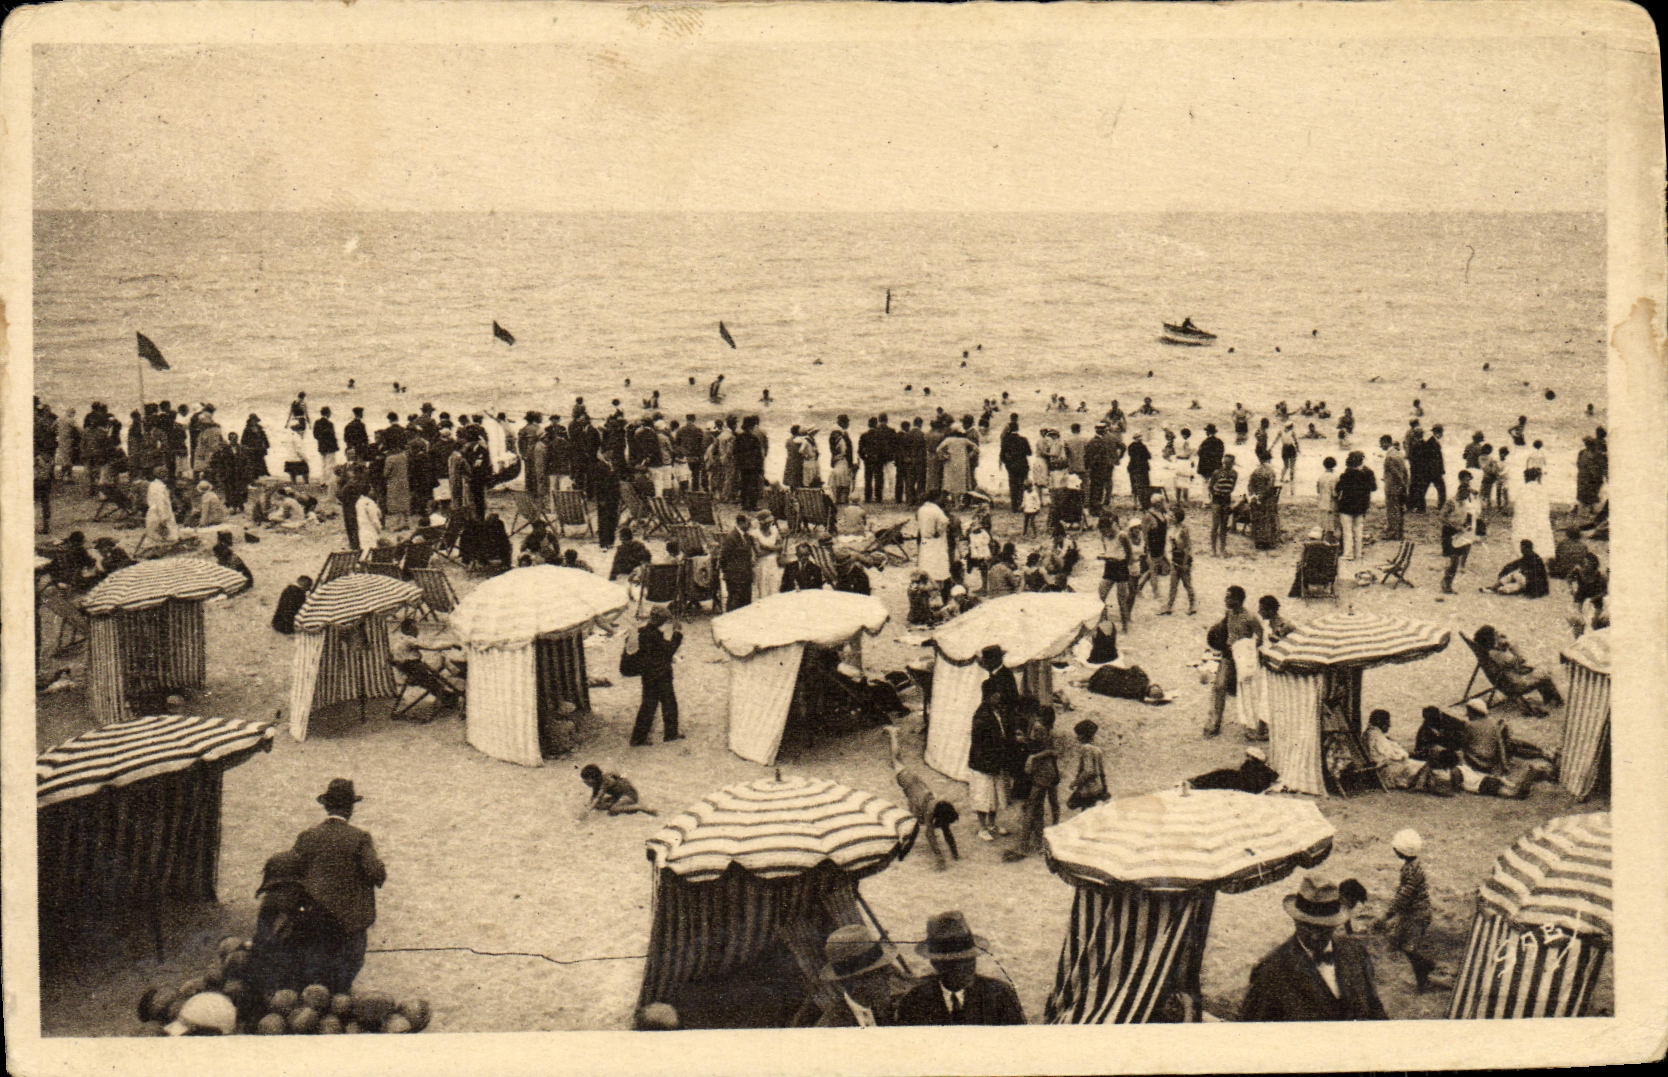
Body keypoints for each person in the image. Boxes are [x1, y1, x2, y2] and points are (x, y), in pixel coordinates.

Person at [1239, 874, 1388, 1021]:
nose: (1315, 936)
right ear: (1295, 920)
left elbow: (1375, 1010)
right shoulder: (1271, 972)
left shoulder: (1356, 953)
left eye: (1323, 928)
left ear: (1336, 923)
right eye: (1307, 926)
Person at [289, 779, 387, 995]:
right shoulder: (359, 838)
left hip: (313, 920)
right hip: (349, 924)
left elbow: (292, 872)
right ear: (350, 808)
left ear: (326, 806)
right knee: (344, 978)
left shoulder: (307, 836)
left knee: (315, 976)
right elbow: (377, 874)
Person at [895, 912, 1025, 1026]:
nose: (967, 967)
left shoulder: (999, 994)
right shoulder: (915, 1001)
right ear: (936, 964)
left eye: (970, 958)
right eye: (955, 962)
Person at [1374, 830, 1445, 993]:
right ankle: (1425, 971)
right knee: (1401, 942)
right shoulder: (1414, 866)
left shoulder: (1409, 870)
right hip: (1415, 913)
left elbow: (1404, 896)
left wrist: (1388, 914)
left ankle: (1425, 972)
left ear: (1400, 851)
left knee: (1409, 948)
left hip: (1416, 915)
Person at [885, 725, 959, 868]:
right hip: (909, 782)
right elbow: (930, 835)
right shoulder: (931, 811)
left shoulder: (937, 807)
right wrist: (941, 856)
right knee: (895, 759)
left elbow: (942, 830)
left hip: (916, 786)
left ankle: (893, 734)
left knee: (897, 760)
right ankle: (893, 733)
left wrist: (952, 853)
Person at [968, 645, 1019, 841]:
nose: (999, 699)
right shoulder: (983, 717)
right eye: (996, 697)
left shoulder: (1000, 712)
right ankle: (983, 827)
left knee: (995, 794)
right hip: (984, 761)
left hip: (995, 759)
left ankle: (992, 824)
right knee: (983, 794)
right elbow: (982, 742)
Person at [815, 925, 905, 1027]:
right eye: (879, 971)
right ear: (849, 982)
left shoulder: (901, 1007)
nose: (888, 974)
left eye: (884, 969)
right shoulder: (830, 1027)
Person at [1204, 585, 1263, 737]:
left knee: (1249, 692)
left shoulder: (1250, 617)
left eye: (1229, 597)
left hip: (1243, 657)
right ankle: (1215, 722)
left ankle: (1255, 725)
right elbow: (1222, 629)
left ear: (1237, 600)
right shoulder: (1228, 613)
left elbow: (1260, 636)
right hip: (1229, 655)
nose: (1225, 600)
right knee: (1219, 686)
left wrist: (1248, 649)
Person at [1002, 707, 1060, 862]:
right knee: (1038, 807)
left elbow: (1040, 749)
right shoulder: (1049, 730)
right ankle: (1038, 842)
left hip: (1041, 772)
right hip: (1047, 771)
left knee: (1030, 808)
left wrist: (1031, 755)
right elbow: (1050, 751)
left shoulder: (1038, 727)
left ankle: (1024, 846)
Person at [1471, 624, 1563, 713]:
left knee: (1538, 671)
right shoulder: (1498, 655)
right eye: (1496, 634)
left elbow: (1511, 664)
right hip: (1514, 685)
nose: (1499, 635)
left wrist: (1503, 647)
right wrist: (1511, 646)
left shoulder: (1490, 653)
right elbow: (1521, 659)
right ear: (1491, 639)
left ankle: (1550, 699)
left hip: (1504, 680)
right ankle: (1555, 702)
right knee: (1544, 675)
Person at [629, 607, 683, 746]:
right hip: (661, 675)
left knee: (648, 705)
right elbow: (669, 650)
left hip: (648, 675)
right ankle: (671, 734)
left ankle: (638, 738)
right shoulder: (655, 635)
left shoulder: (644, 632)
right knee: (669, 704)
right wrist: (677, 633)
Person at [1363, 709, 1447, 794]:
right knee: (1426, 767)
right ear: (1380, 722)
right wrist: (1404, 753)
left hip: (1386, 766)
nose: (1389, 725)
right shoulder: (1376, 737)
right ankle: (1438, 783)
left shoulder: (1370, 734)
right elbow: (1392, 755)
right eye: (1387, 722)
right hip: (1387, 770)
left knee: (1422, 765)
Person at [389, 618, 462, 710]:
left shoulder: (400, 639)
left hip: (406, 668)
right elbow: (430, 645)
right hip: (413, 668)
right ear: (408, 630)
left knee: (433, 678)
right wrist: (451, 645)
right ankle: (450, 697)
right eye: (414, 628)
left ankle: (449, 696)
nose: (417, 630)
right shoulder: (409, 640)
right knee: (434, 680)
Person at [1333, 451, 1375, 561]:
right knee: (1358, 530)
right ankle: (1358, 553)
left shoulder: (1346, 475)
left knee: (1347, 531)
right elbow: (1373, 487)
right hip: (1361, 506)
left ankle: (1348, 554)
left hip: (1346, 506)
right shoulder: (1367, 475)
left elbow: (1337, 489)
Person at [1190, 746, 1281, 793]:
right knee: (1220, 775)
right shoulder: (1263, 769)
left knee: (1220, 776)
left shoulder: (1253, 766)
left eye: (1249, 756)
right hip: (1243, 783)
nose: (1247, 758)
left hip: (1242, 784)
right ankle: (1196, 782)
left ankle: (1195, 783)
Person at [1065, 719, 1111, 810]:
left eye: (1078, 735)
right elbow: (1102, 773)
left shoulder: (1086, 748)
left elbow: (1088, 771)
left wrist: (1075, 783)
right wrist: (1105, 789)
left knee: (1079, 809)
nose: (1077, 738)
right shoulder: (1097, 750)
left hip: (1088, 789)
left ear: (1082, 736)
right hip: (1098, 788)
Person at [579, 764, 656, 815]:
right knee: (600, 805)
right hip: (620, 794)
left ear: (594, 779)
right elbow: (594, 797)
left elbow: (598, 797)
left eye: (586, 781)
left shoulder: (604, 782)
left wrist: (587, 812)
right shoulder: (600, 780)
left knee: (613, 809)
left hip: (629, 795)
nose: (585, 782)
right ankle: (622, 802)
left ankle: (639, 807)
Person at [715, 514, 755, 610]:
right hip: (734, 576)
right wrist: (729, 573)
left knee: (746, 601)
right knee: (734, 601)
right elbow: (723, 557)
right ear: (741, 523)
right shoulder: (731, 537)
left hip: (745, 575)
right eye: (748, 523)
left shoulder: (747, 537)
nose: (750, 525)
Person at [1486, 538, 1550, 598]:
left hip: (1531, 586)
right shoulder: (1534, 557)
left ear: (1527, 548)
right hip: (1532, 586)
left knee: (1512, 576)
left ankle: (1494, 587)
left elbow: (1534, 575)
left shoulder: (1531, 558)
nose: (1521, 550)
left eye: (1522, 548)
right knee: (1507, 588)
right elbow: (1513, 565)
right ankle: (1495, 588)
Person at [1207, 452, 1238, 556]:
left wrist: (1225, 493)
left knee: (1224, 526)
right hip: (1217, 500)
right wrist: (1215, 495)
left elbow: (1232, 487)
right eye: (1224, 463)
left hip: (1226, 500)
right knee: (1215, 525)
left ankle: (1222, 549)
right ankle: (1213, 550)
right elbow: (1210, 486)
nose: (1225, 465)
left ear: (1232, 463)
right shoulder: (1217, 472)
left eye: (1228, 463)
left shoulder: (1234, 474)